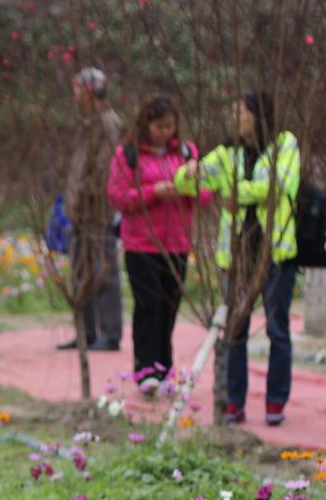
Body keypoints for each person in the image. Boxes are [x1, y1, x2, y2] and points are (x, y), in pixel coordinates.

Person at [175, 91, 301, 426]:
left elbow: (277, 186)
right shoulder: (228, 152)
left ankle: (276, 401)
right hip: (237, 254)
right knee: (234, 330)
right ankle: (234, 401)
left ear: (258, 115)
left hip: (274, 252)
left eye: (240, 111)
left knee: (277, 330)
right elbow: (189, 181)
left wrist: (234, 194)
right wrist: (187, 172)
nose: (235, 117)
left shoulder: (284, 144)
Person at [106, 94, 210, 392]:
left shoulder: (188, 154)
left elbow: (206, 194)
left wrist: (189, 185)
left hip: (177, 243)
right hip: (142, 244)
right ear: (146, 125)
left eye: (170, 126)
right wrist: (153, 193)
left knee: (169, 307)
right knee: (148, 306)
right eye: (159, 126)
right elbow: (117, 197)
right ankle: (145, 371)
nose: (165, 132)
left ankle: (164, 372)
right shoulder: (128, 155)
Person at [59, 68, 124, 352]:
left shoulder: (108, 123)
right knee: (80, 272)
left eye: (77, 89)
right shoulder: (88, 123)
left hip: (98, 212)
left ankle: (110, 333)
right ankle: (85, 332)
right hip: (81, 213)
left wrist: (86, 196)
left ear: (89, 91)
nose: (74, 96)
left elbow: (102, 170)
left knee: (104, 272)